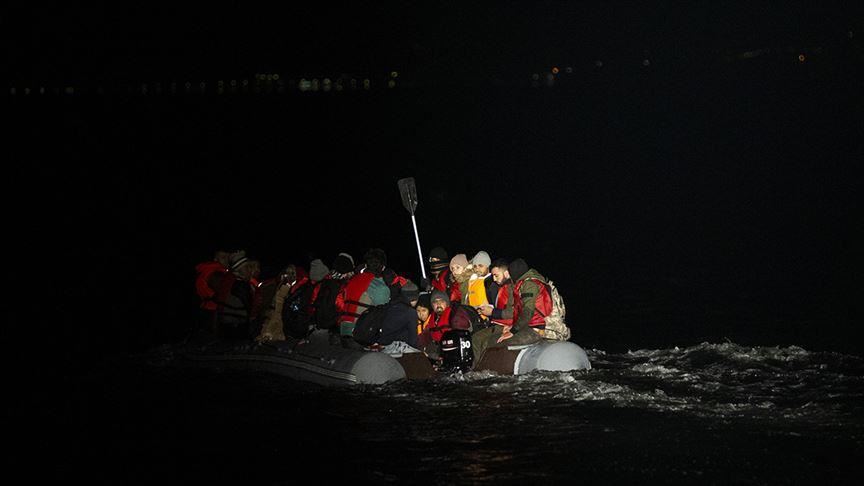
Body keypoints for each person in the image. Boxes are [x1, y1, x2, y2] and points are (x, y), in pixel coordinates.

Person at [336, 249, 392, 347]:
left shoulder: (352, 279)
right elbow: (384, 314)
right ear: (383, 267)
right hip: (360, 335)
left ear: (366, 265)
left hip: (343, 330)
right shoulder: (379, 286)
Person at [500, 258, 550, 346]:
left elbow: (528, 311)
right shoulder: (524, 283)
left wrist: (513, 331)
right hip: (530, 325)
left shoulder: (529, 284)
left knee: (501, 344)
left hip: (537, 329)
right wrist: (512, 326)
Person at [193, 249, 233, 335]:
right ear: (215, 259)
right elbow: (225, 293)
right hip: (213, 313)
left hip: (208, 310)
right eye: (223, 257)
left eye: (228, 257)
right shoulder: (215, 274)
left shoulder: (210, 271)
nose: (227, 260)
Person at [375, 280, 420, 348]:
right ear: (415, 298)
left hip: (380, 343)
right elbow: (413, 340)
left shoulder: (390, 305)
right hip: (394, 348)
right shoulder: (411, 312)